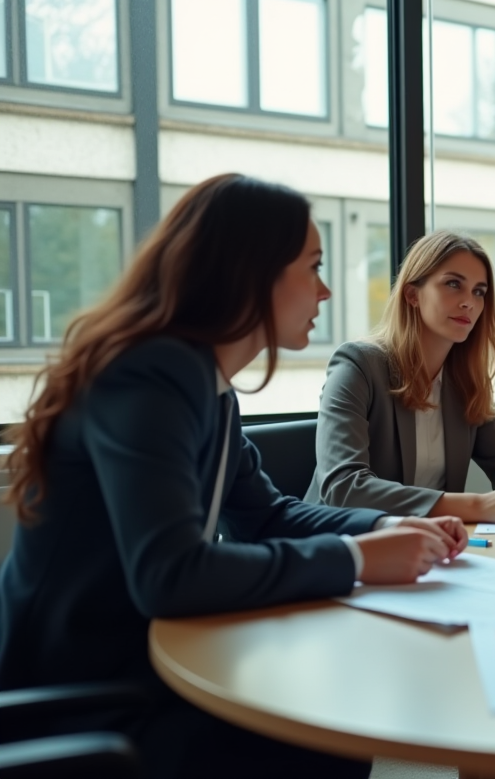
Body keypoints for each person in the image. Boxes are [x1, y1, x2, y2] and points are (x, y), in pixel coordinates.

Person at [0, 174, 468, 779]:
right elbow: (169, 575)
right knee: (324, 730)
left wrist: (386, 522)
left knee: (327, 714)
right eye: (313, 266)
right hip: (83, 686)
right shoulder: (153, 374)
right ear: (251, 272)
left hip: (148, 657)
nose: (324, 291)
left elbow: (265, 514)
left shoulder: (205, 385)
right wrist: (357, 559)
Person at [305, 231, 495, 521]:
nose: (469, 302)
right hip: (343, 545)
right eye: (454, 284)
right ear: (412, 294)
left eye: (479, 291)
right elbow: (344, 489)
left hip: (430, 548)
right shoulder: (357, 366)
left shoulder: (465, 380)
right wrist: (479, 505)